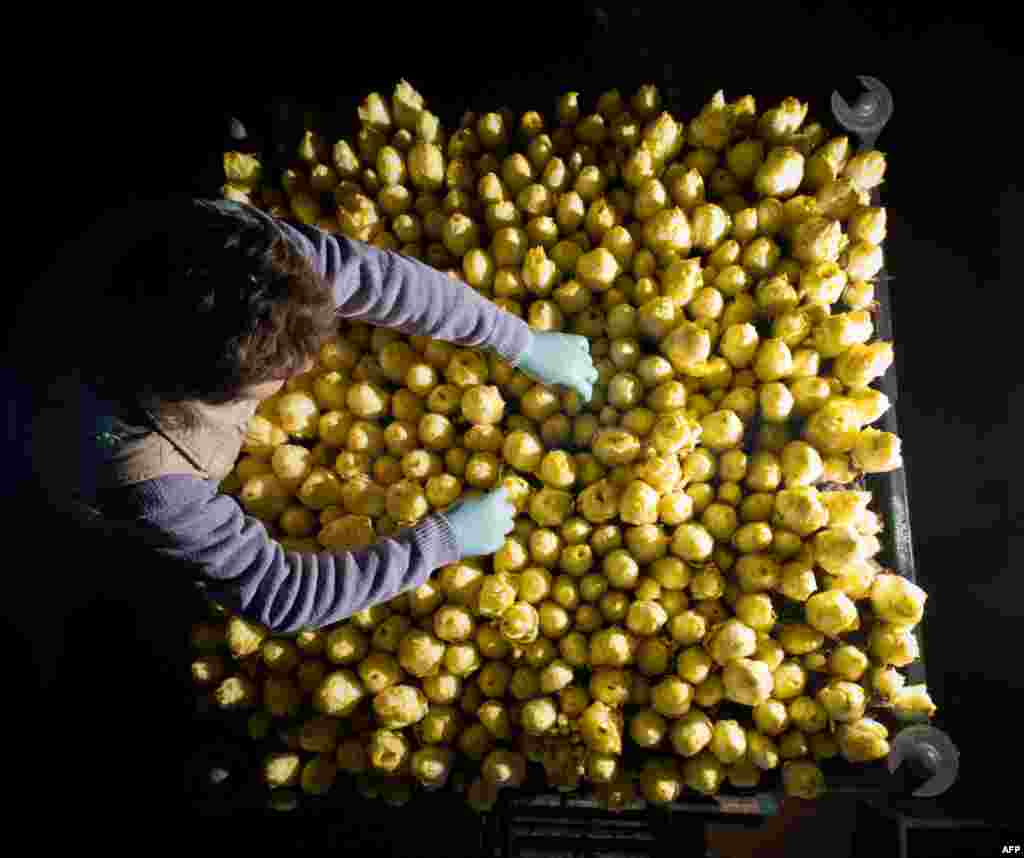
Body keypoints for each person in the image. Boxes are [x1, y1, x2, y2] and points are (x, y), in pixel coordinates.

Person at [37, 196, 597, 638]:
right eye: (279, 375)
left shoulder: (234, 254)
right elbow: (279, 593)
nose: (308, 366)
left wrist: (518, 341)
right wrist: (443, 540)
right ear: (206, 392)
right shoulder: (145, 474)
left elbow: (379, 280)